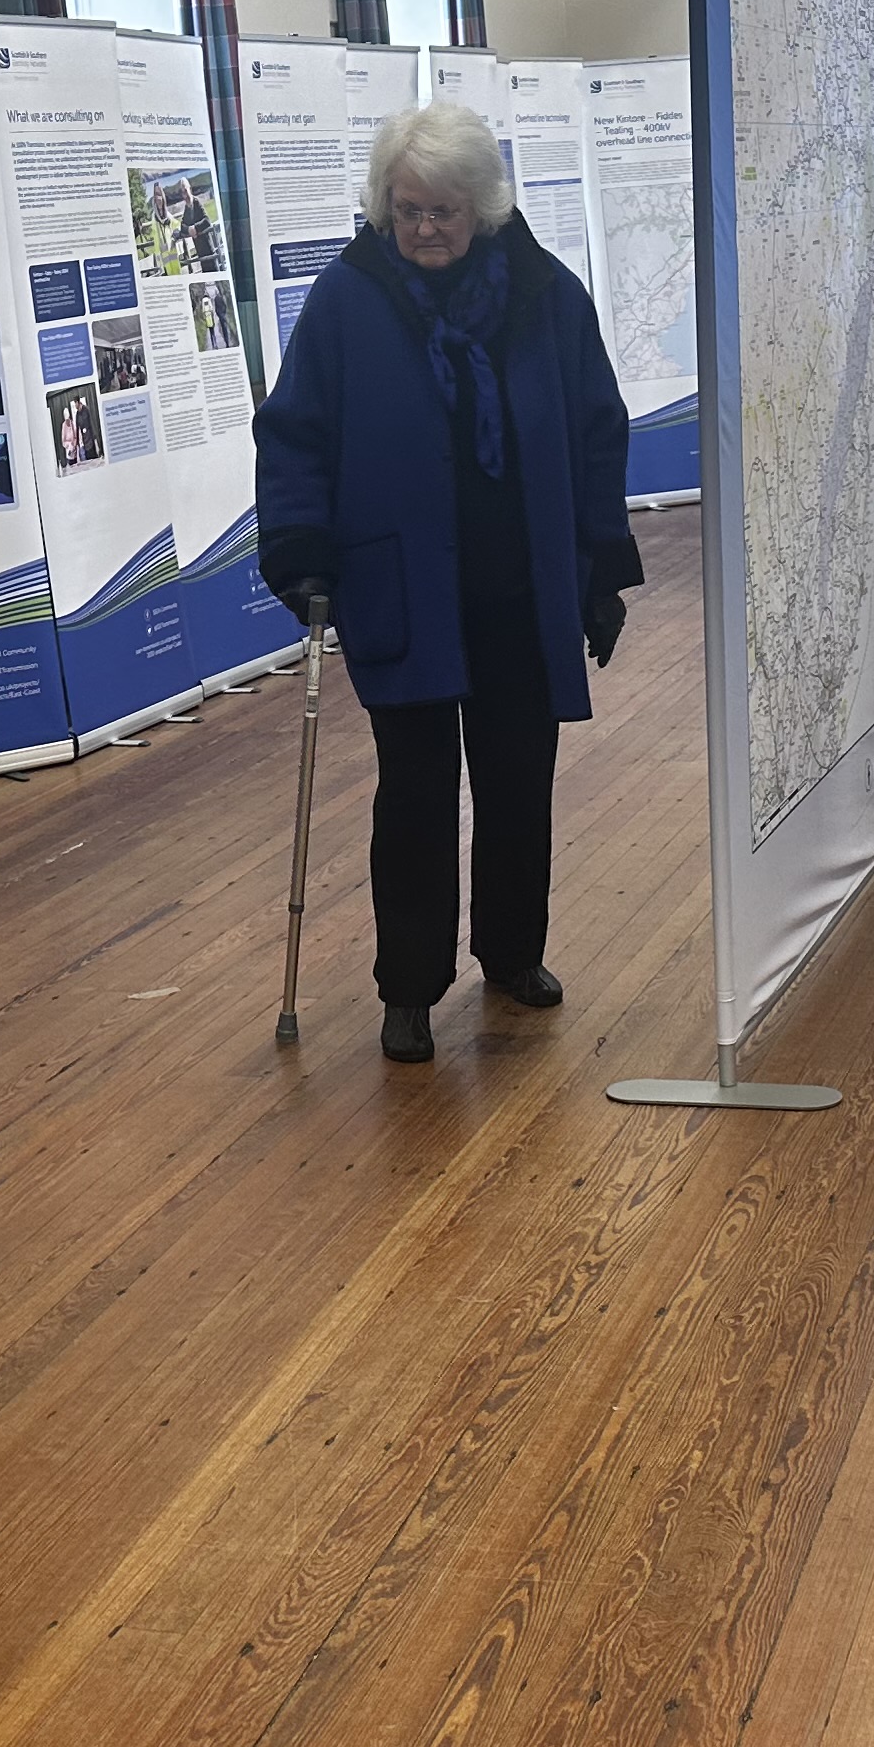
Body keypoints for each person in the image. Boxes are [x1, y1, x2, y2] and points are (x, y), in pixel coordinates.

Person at [253, 101, 639, 1063]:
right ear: (385, 206)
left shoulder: (543, 293)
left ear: (485, 209)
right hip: (405, 588)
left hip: (518, 585)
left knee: (519, 781)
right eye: (408, 208)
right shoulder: (349, 296)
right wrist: (301, 550)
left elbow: (597, 427)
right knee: (415, 793)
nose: (425, 228)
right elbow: (296, 429)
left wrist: (600, 567)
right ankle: (409, 987)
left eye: (445, 211)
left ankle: (511, 953)